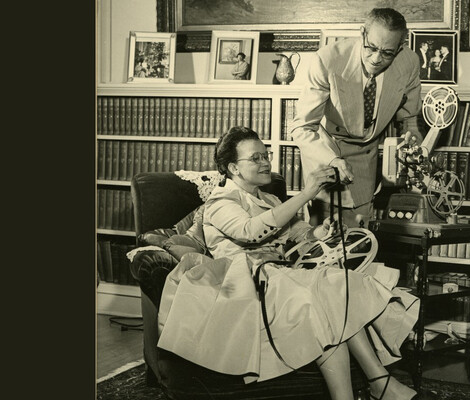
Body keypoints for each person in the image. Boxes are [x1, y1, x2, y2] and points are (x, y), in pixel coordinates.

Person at [157, 126, 436, 400]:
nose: (265, 162)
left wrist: (319, 231)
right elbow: (252, 231)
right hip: (246, 290)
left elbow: (296, 231)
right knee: (327, 295)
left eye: (265, 155)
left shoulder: (268, 198)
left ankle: (376, 383)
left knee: (337, 290)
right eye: (255, 158)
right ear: (233, 168)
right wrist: (308, 192)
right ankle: (380, 384)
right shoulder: (220, 202)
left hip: (279, 279)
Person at [290, 8, 426, 228]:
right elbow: (302, 127)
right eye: (371, 48)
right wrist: (332, 160)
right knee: (322, 243)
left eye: (387, 53)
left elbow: (409, 117)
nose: (376, 59)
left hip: (366, 159)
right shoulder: (328, 60)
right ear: (362, 33)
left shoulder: (409, 63)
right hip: (328, 152)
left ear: (400, 47)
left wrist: (412, 139)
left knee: (360, 243)